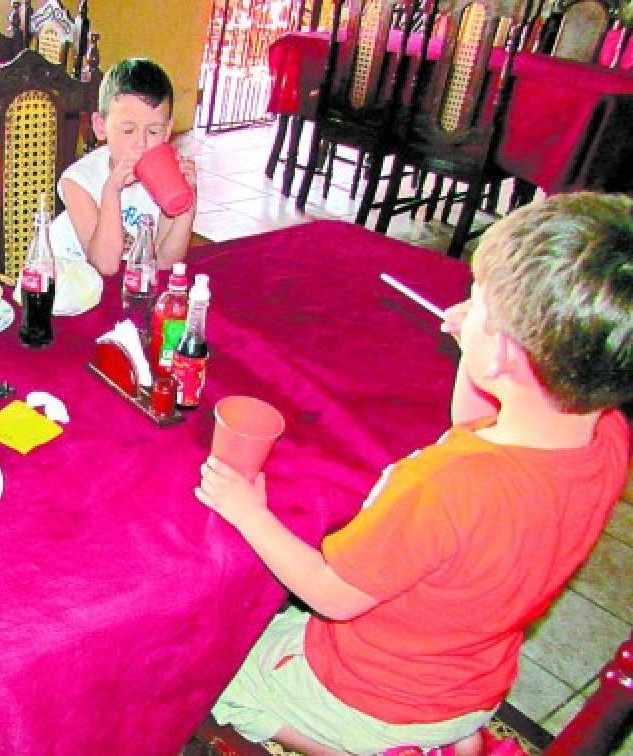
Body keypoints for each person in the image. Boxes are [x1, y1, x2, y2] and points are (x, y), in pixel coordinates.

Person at [194, 193, 633, 754]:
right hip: (465, 684)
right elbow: (473, 424)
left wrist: (250, 513)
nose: (464, 310)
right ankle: (442, 736)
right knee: (269, 630)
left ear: (503, 358)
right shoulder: (607, 433)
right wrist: (473, 349)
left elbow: (332, 595)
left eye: (476, 302)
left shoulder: (444, 485)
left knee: (210, 671)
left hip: (370, 694)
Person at [48, 57, 197, 276]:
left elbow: (166, 261)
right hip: (65, 281)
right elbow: (105, 266)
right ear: (100, 127)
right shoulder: (77, 181)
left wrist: (187, 202)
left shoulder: (166, 177)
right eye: (128, 131)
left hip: (126, 284)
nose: (141, 142)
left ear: (168, 130)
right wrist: (111, 190)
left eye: (154, 131)